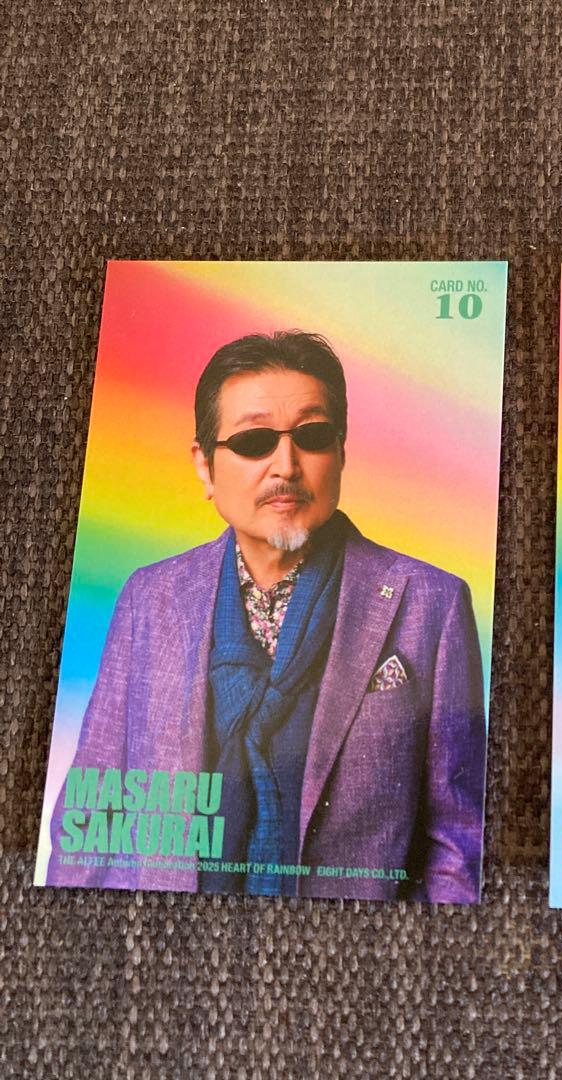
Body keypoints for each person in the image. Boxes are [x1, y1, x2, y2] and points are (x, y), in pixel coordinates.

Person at [48, 331, 486, 902]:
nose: (286, 465)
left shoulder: (431, 604)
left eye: (313, 436)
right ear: (205, 467)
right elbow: (90, 818)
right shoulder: (150, 598)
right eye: (254, 441)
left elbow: (458, 840)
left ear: (341, 453)